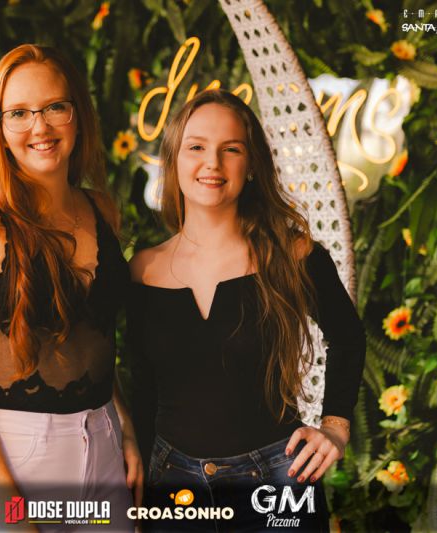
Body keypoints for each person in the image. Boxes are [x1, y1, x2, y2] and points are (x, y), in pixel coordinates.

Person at [128, 89, 366, 532]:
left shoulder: (293, 254)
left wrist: (335, 426)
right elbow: (142, 389)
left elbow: (348, 337)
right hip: (172, 487)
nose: (212, 163)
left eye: (231, 149)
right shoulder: (143, 270)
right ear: (173, 159)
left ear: (252, 164)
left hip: (277, 479)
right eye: (196, 147)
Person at [0, 44, 140, 531]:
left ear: (77, 115)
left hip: (102, 446)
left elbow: (90, 336)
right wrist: (13, 518)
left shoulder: (102, 210)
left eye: (54, 107)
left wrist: (123, 423)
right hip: (11, 459)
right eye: (19, 113)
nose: (39, 127)